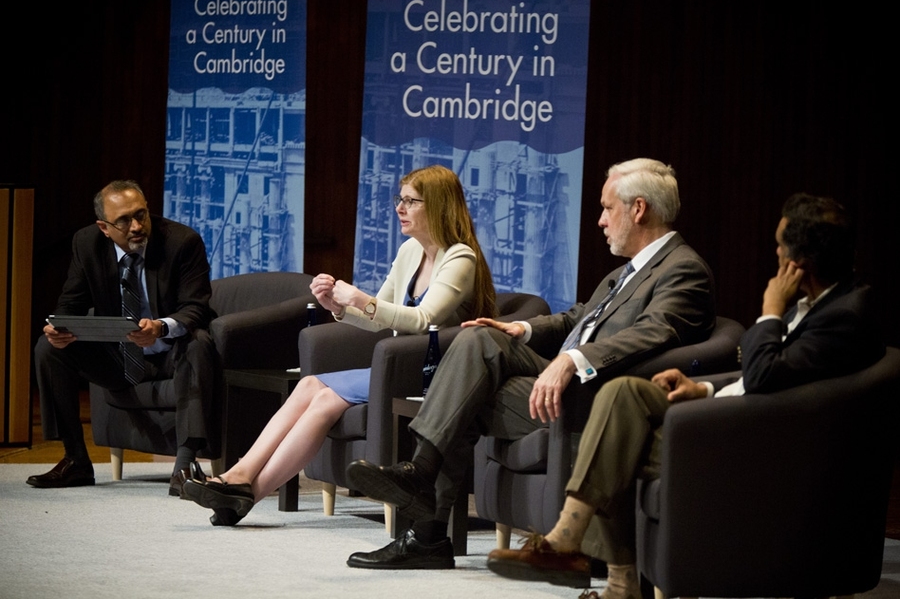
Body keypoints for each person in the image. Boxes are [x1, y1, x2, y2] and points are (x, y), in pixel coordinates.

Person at [484, 193, 885, 599]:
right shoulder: (828, 302)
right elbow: (779, 373)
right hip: (734, 414)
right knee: (622, 393)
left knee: (617, 435)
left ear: (799, 263)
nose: (775, 253)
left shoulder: (845, 317)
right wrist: (705, 388)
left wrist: (769, 312)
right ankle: (587, 556)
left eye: (781, 247)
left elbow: (766, 375)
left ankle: (588, 558)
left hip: (759, 443)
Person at [345, 158, 717, 569]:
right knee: (480, 341)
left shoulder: (683, 270)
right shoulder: (624, 273)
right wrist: (521, 328)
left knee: (466, 388)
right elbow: (576, 318)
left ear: (639, 209)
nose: (600, 220)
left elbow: (653, 332)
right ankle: (423, 498)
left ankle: (425, 517)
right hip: (560, 384)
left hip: (597, 401)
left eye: (607, 208)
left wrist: (573, 361)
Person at [181, 164, 496, 526]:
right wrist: (337, 307)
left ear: (438, 206)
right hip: (398, 364)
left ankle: (243, 487)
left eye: (411, 201)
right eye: (400, 199)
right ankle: (242, 482)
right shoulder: (411, 251)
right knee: (313, 387)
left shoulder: (460, 257)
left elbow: (423, 319)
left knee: (322, 393)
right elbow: (381, 318)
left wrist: (359, 298)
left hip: (436, 374)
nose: (399, 208)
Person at [30, 180, 217, 496]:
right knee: (48, 349)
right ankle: (75, 458)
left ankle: (184, 467)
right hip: (120, 356)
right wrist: (59, 328)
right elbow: (71, 304)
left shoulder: (182, 241)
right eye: (124, 220)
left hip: (173, 351)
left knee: (200, 344)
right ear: (103, 227)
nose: (136, 226)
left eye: (141, 214)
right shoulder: (86, 243)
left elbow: (195, 306)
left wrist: (160, 327)